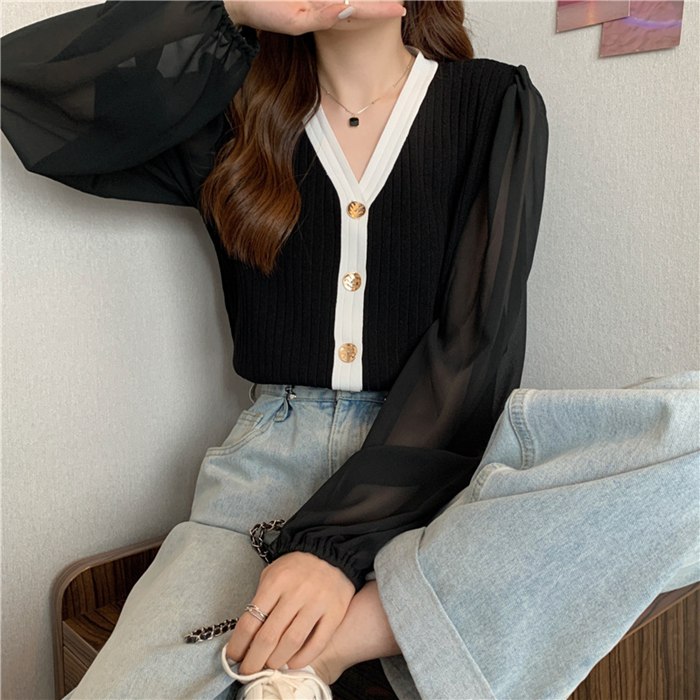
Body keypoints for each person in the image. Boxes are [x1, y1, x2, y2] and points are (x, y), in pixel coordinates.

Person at [3, 2, 697, 699]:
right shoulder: (229, 115)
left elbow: (476, 343)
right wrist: (233, 9)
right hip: (267, 475)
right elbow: (29, 86)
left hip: (444, 458)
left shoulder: (491, 100)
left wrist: (330, 550)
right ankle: (383, 622)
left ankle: (346, 639)